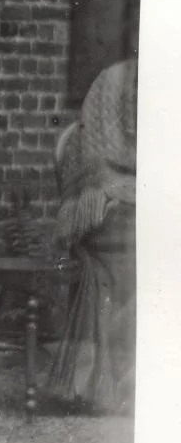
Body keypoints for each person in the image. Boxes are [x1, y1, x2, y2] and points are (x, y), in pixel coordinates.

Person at [46, 58, 137, 415]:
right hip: (101, 208)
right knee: (131, 243)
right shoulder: (112, 83)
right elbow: (97, 165)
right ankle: (107, 380)